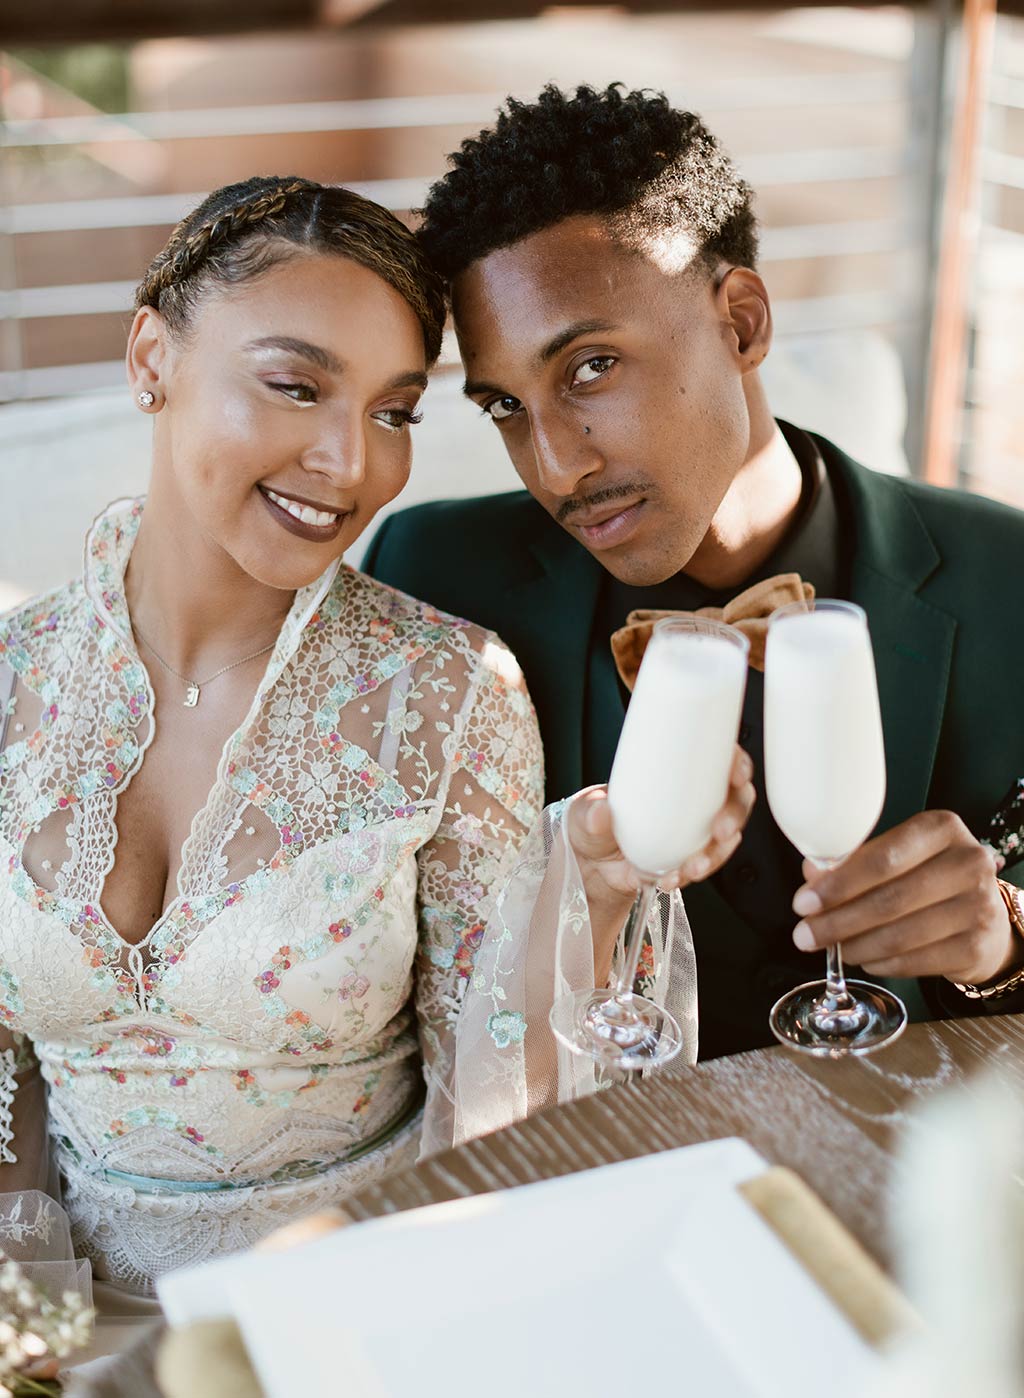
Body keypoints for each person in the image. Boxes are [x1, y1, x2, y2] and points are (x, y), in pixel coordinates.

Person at [0, 174, 750, 1316]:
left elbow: (492, 1093)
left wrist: (588, 890)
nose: (352, 466)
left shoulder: (449, 693)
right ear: (152, 358)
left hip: (362, 1313)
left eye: (395, 413)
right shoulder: (12, 680)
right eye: (295, 387)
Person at [364, 83, 1024, 1062]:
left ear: (743, 323)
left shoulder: (1004, 575)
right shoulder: (432, 578)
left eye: (590, 368)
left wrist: (1001, 944)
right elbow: (387, 982)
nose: (557, 467)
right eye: (506, 406)